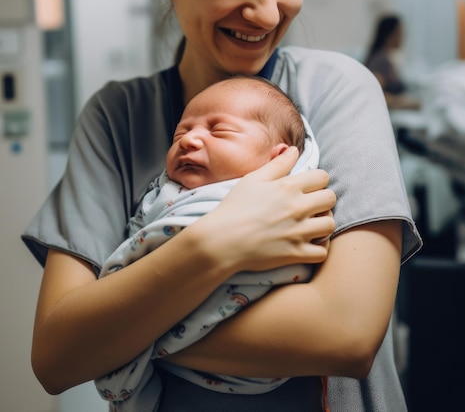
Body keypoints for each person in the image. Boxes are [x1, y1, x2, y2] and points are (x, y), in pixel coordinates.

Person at [23, 0, 422, 412]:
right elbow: (57, 356)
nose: (265, 9)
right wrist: (221, 241)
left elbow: (345, 334)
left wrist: (122, 329)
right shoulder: (118, 115)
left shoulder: (336, 89)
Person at [95, 75, 322, 410]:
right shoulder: (165, 197)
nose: (189, 141)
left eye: (219, 131)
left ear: (278, 158)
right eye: (181, 133)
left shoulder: (288, 202)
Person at [364, 14, 421, 110]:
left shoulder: (386, 58)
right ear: (390, 34)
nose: (404, 36)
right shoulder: (379, 61)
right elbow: (375, 96)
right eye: (400, 32)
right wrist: (408, 103)